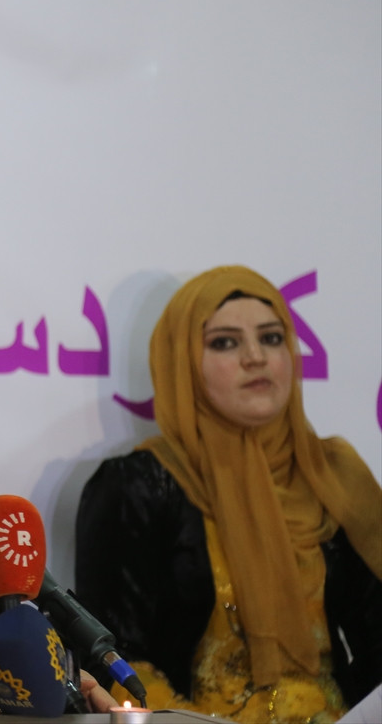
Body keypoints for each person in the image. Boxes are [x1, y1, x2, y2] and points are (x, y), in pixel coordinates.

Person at [75, 265, 382, 723]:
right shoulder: (138, 486)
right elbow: (111, 655)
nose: (255, 357)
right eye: (224, 342)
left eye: (272, 338)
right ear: (183, 363)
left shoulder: (332, 475)